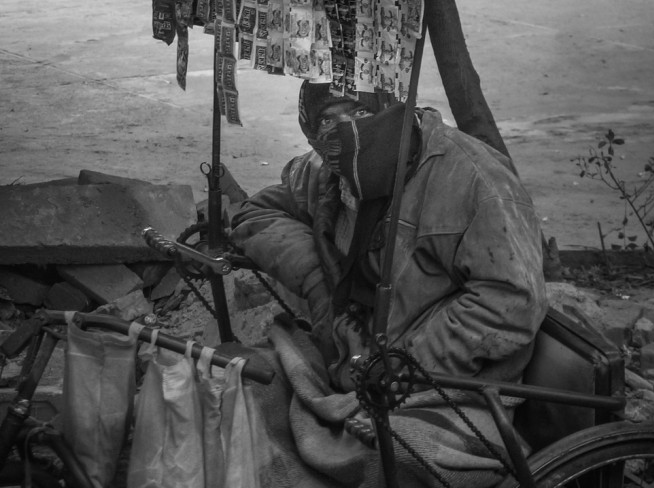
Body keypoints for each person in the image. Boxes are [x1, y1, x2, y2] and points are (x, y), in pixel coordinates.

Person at [229, 81, 548, 487]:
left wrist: (402, 364)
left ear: (390, 111)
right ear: (311, 130)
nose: (346, 129)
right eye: (328, 119)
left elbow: (512, 299)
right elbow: (257, 213)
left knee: (394, 456)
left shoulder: (473, 178)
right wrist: (317, 279)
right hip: (350, 368)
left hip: (455, 389)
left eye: (359, 113)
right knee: (236, 392)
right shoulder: (325, 170)